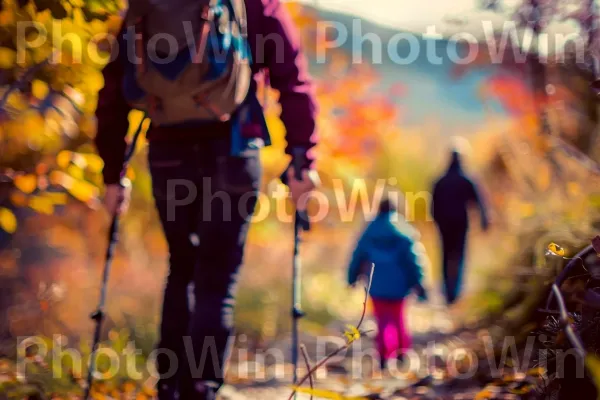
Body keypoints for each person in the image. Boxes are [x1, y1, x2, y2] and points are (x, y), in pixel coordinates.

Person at [93, 1, 318, 399]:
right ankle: (201, 385)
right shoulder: (255, 4)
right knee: (216, 276)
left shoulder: (150, 5)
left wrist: (113, 173)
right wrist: (301, 157)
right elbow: (292, 78)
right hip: (233, 150)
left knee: (182, 265)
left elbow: (114, 87)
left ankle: (169, 384)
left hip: (168, 153)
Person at [347, 195, 429, 371]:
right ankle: (401, 353)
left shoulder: (370, 231)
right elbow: (414, 260)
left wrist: (352, 277)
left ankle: (384, 354)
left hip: (376, 284)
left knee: (382, 320)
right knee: (398, 318)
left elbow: (358, 256)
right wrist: (419, 283)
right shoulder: (404, 231)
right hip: (400, 285)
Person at [431, 148, 489, 306]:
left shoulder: (440, 180)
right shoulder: (467, 179)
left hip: (443, 223)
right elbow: (479, 203)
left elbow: (433, 204)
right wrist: (485, 221)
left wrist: (435, 220)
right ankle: (456, 290)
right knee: (460, 255)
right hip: (461, 223)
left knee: (445, 254)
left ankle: (447, 290)